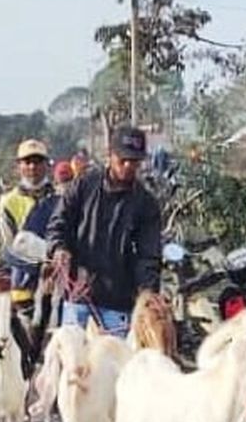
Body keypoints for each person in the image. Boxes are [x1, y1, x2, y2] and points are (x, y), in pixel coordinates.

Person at [45, 125, 161, 339]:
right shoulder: (84, 185)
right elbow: (58, 223)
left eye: (134, 161)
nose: (127, 166)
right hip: (77, 297)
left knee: (114, 369)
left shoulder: (146, 204)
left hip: (118, 305)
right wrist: (59, 248)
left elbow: (149, 255)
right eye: (123, 159)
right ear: (110, 155)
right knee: (71, 368)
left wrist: (147, 292)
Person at [0, 139, 59, 360]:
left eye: (38, 161)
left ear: (46, 165)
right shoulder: (8, 202)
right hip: (23, 281)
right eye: (27, 162)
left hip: (58, 281)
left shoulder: (61, 199)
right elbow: (9, 249)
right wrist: (37, 267)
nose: (32, 167)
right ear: (19, 166)